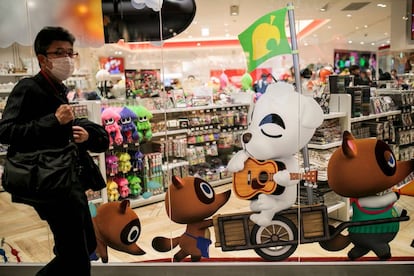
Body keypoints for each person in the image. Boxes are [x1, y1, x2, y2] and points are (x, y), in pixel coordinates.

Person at [0, 26, 109, 275]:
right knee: (77, 257)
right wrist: (53, 121)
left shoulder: (58, 88)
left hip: (67, 179)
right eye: (59, 52)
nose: (67, 59)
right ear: (42, 58)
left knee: (83, 246)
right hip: (47, 183)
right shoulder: (28, 87)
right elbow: (5, 131)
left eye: (71, 52)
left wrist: (84, 135)